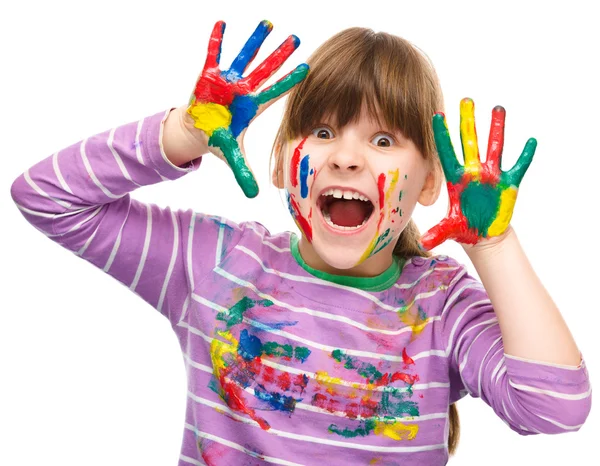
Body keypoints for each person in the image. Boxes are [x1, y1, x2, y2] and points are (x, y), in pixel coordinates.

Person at [10, 20, 591, 466]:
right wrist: (183, 133)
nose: (344, 155)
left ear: (431, 180)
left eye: (384, 138)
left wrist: (493, 245)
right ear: (285, 162)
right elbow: (45, 197)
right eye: (321, 131)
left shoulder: (440, 305)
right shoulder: (215, 262)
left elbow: (555, 409)